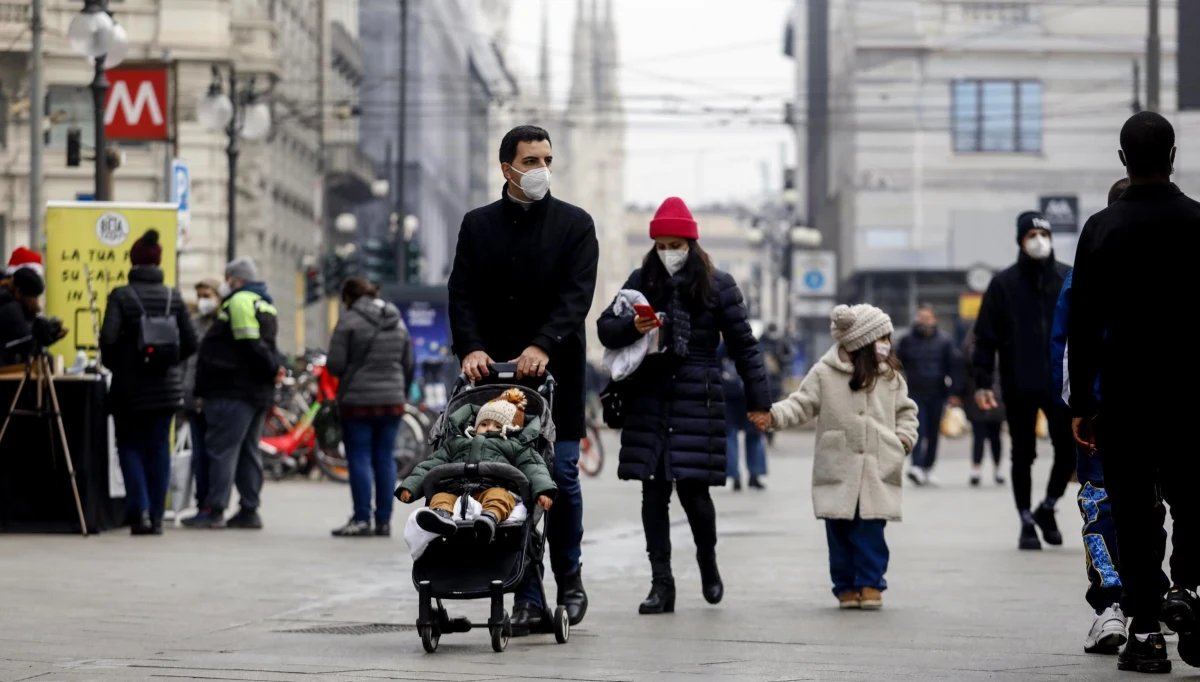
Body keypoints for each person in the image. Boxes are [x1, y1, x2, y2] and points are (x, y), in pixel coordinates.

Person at [447, 124, 598, 634]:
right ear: (507, 167)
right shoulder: (478, 224)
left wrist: (543, 345)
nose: (541, 170)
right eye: (531, 161)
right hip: (495, 378)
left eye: (547, 160)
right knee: (508, 482)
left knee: (562, 477)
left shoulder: (575, 225)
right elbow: (461, 292)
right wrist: (470, 348)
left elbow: (576, 297)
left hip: (557, 373)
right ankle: (527, 595)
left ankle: (570, 577)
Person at [1070, 111, 1200, 674]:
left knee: (1133, 512)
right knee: (1195, 499)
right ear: (1173, 154)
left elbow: (1082, 325)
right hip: (1192, 394)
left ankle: (1145, 632)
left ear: (1123, 159)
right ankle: (1190, 590)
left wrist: (1082, 407)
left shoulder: (1101, 229)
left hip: (1124, 395)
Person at [597, 196, 770, 615]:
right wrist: (631, 326)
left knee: (695, 495)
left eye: (676, 244)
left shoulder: (719, 284)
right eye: (662, 244)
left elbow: (745, 347)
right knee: (652, 496)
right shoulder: (641, 280)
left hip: (698, 395)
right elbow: (606, 328)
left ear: (691, 244)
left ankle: (707, 563)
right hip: (651, 397)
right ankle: (662, 584)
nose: (669, 252)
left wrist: (759, 402)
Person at [1052, 176, 1171, 657]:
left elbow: (1068, 344)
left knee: (1114, 508)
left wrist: (1080, 407)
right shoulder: (1179, 248)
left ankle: (1124, 607)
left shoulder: (1092, 260)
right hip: (1156, 410)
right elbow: (1069, 344)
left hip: (1113, 412)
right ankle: (1136, 602)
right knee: (1141, 509)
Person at [753, 304, 918, 610]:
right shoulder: (824, 373)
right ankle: (844, 585)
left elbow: (906, 412)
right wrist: (772, 415)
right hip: (838, 465)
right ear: (862, 342)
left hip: (877, 465)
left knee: (870, 529)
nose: (887, 344)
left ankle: (870, 584)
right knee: (839, 531)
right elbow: (800, 404)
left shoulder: (890, 376)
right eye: (881, 337)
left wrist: (904, 440)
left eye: (888, 338)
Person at [972, 210, 1073, 551]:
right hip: (1019, 382)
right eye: (1031, 235)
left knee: (1068, 449)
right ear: (1020, 241)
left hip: (1062, 384)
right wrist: (983, 381)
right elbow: (985, 336)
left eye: (1043, 234)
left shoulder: (1067, 278)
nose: (1039, 241)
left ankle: (1047, 507)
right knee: (1023, 454)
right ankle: (1026, 519)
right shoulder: (1004, 284)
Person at [99, 230, 198, 535]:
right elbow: (191, 342)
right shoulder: (174, 296)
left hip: (129, 389)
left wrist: (122, 366)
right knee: (158, 449)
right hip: (165, 389)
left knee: (128, 447)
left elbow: (108, 339)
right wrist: (168, 363)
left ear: (133, 261)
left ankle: (138, 511)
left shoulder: (121, 295)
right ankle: (156, 516)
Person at [185, 256, 281, 531]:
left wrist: (271, 367)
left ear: (236, 280)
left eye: (228, 280)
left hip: (232, 391)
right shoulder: (265, 303)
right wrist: (272, 369)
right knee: (248, 451)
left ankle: (214, 510)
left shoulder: (240, 301)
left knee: (222, 451)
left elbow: (249, 343)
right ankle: (249, 509)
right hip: (254, 391)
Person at [397, 388, 556, 544]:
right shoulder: (456, 443)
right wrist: (410, 487)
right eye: (484, 424)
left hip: (495, 487)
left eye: (498, 426)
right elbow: (430, 464)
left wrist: (542, 491)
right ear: (475, 424)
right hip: (457, 491)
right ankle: (441, 517)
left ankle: (489, 518)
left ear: (512, 430)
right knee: (440, 497)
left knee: (500, 498)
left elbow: (534, 467)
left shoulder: (515, 446)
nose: (490, 428)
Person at [327, 277, 415, 538]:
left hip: (358, 402)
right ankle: (384, 520)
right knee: (385, 458)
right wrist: (400, 390)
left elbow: (335, 365)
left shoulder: (349, 321)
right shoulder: (396, 320)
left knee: (360, 458)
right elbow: (408, 363)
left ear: (348, 298)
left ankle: (362, 518)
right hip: (392, 401)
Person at [896, 304, 960, 486]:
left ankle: (928, 467)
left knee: (933, 433)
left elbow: (953, 367)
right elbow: (897, 364)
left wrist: (955, 392)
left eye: (927, 318)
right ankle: (916, 466)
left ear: (934, 320)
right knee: (917, 430)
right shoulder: (907, 340)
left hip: (937, 393)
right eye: (921, 318)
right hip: (914, 393)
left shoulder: (944, 341)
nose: (924, 322)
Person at [183, 278, 222, 509]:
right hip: (193, 396)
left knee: (215, 453)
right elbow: (186, 363)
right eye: (199, 296)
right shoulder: (194, 325)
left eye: (207, 295)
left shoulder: (222, 325)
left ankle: (213, 502)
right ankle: (202, 501)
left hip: (214, 396)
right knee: (199, 454)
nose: (202, 301)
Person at [959, 327, 1005, 486]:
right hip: (976, 397)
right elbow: (965, 369)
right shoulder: (970, 346)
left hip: (997, 397)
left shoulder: (1003, 343)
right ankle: (976, 470)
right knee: (978, 435)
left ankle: (998, 469)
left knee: (995, 436)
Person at [719, 342, 766, 490]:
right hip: (748, 397)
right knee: (753, 437)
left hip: (733, 399)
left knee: (732, 437)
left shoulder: (722, 348)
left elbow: (714, 372)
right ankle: (753, 474)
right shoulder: (752, 345)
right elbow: (762, 374)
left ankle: (737, 476)